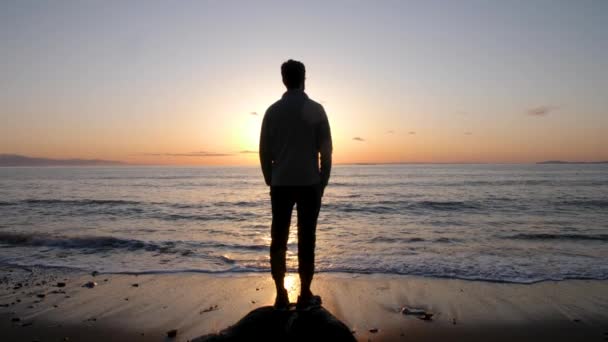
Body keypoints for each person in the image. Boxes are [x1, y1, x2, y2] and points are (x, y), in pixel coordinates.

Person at [259, 59, 333, 310]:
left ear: (283, 80)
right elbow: (327, 151)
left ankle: (281, 294)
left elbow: (263, 151)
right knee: (307, 239)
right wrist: (322, 182)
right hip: (309, 183)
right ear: (304, 78)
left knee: (278, 239)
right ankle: (305, 294)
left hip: (281, 183)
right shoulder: (316, 109)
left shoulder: (272, 111)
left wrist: (271, 178)